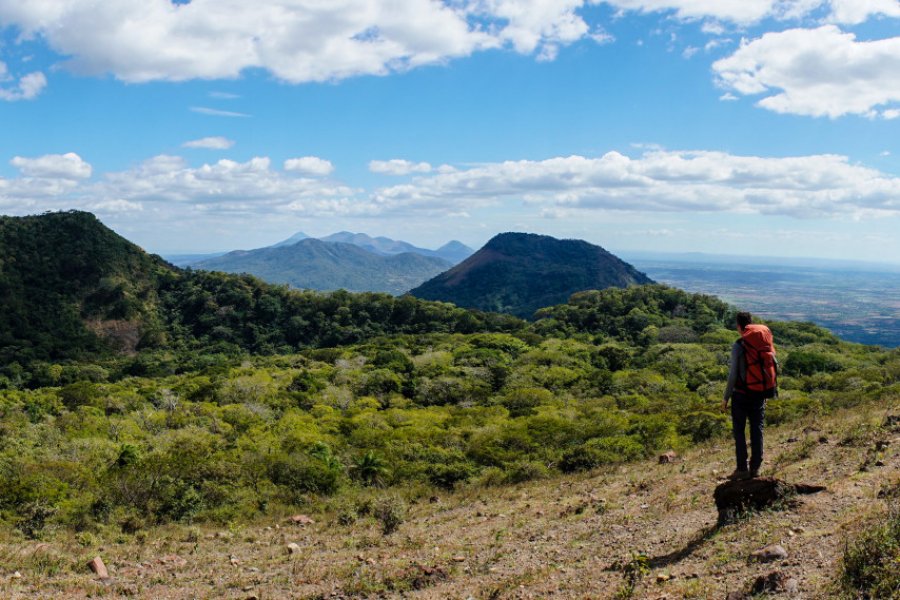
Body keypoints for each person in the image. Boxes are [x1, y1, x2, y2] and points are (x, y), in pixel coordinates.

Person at [722, 311, 778, 480]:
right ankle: (756, 467)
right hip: (760, 393)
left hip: (740, 395)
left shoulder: (739, 345)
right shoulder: (763, 343)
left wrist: (725, 398)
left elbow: (733, 375)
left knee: (739, 431)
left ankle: (741, 468)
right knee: (757, 429)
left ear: (739, 327)